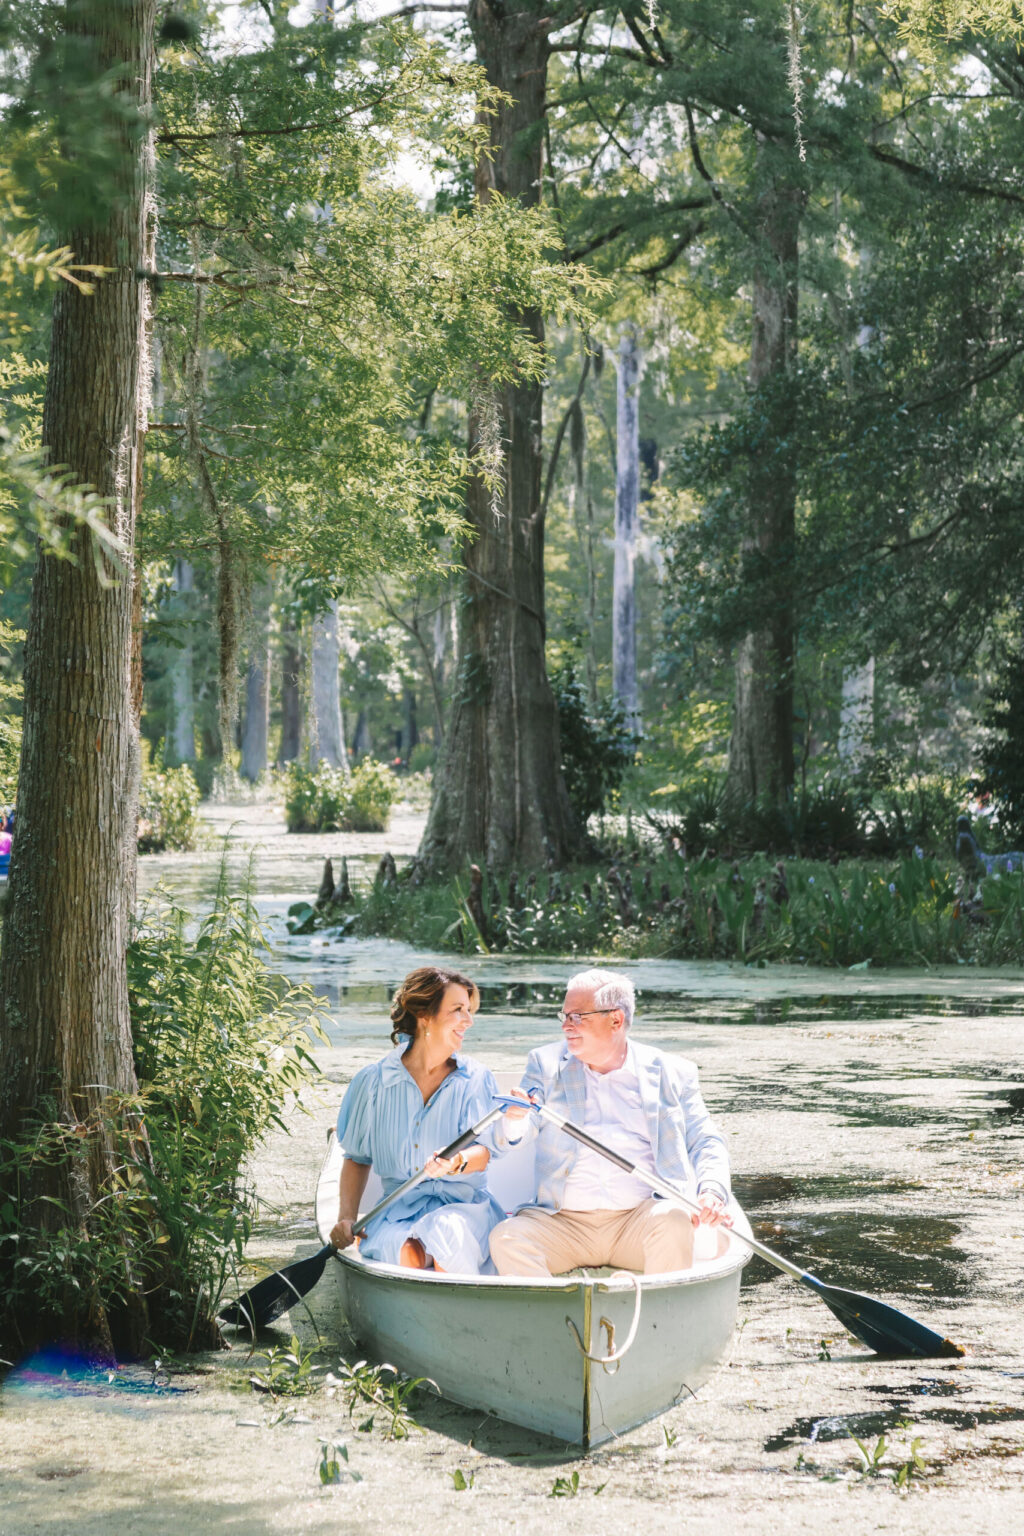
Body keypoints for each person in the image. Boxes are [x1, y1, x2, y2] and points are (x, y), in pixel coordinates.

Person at [487, 967, 732, 1277]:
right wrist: (515, 1119)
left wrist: (711, 1192)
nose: (566, 1026)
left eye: (577, 1017)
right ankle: (552, 1319)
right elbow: (517, 1136)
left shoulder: (673, 1071)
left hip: (639, 1219)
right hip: (564, 1224)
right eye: (564, 1016)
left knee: (673, 1218)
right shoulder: (545, 1063)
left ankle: (656, 1321)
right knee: (507, 1237)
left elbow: (706, 1141)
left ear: (615, 1019)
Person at [329, 965, 505, 1274]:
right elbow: (357, 1158)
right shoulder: (372, 1082)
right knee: (409, 1254)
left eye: (468, 1010)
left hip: (462, 1209)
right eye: (458, 1010)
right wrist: (346, 1219)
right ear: (425, 1016)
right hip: (395, 1212)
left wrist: (456, 1162)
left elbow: (487, 1151)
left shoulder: (475, 1079)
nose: (469, 1020)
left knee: (446, 1239)